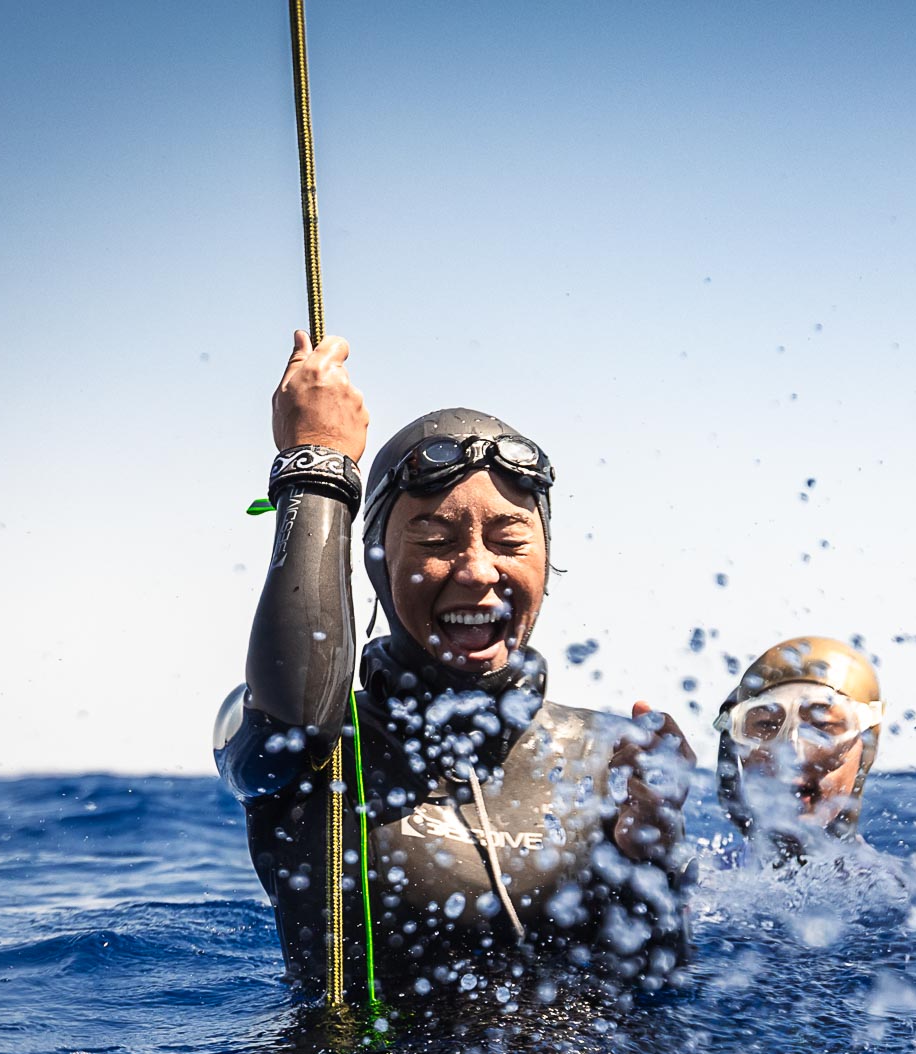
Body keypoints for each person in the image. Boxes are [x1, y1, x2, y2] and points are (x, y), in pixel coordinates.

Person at [214, 331, 695, 1013]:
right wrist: (316, 467)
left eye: (510, 541)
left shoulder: (612, 757)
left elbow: (655, 999)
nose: (476, 571)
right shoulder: (313, 752)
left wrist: (655, 858)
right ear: (376, 564)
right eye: (436, 541)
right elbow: (295, 717)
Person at [714, 636, 885, 867]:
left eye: (822, 726)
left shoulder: (899, 886)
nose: (794, 755)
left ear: (866, 745)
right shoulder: (698, 880)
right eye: (766, 725)